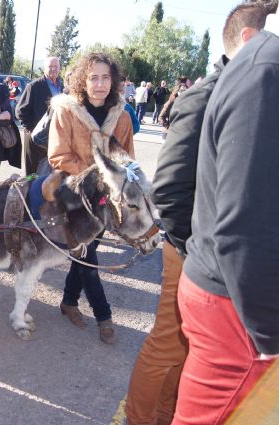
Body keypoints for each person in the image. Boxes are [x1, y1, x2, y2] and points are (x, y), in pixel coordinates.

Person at [124, 3, 267, 424]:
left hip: (214, 254)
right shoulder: (207, 94)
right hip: (193, 251)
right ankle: (137, 418)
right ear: (250, 38)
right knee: (168, 346)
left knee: (191, 350)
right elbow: (167, 189)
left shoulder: (247, 90)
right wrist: (195, 248)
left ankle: (167, 414)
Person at [173, 2, 279, 423]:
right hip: (240, 309)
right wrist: (269, 337)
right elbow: (244, 229)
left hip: (233, 294)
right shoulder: (266, 73)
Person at [48, 52, 134, 344]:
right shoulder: (66, 111)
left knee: (83, 254)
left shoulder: (121, 117)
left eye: (106, 77)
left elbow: (126, 159)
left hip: (103, 201)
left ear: (114, 81)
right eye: (93, 77)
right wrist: (96, 177)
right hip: (70, 196)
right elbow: (58, 156)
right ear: (83, 80)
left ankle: (69, 301)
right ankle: (104, 316)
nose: (99, 84)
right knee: (87, 255)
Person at [16, 56, 63, 174]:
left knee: (51, 171)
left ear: (59, 68)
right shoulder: (34, 86)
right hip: (35, 137)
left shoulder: (62, 87)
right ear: (44, 69)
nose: (53, 69)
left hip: (55, 137)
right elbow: (20, 111)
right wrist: (32, 130)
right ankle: (29, 191)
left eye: (56, 66)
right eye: (50, 66)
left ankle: (46, 192)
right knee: (32, 173)